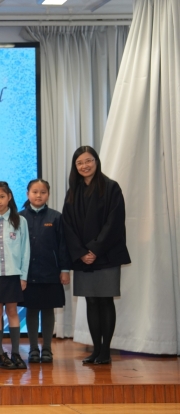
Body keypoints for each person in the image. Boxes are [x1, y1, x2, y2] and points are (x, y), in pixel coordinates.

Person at [62, 146, 130, 365]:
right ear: (75, 166)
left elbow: (114, 222)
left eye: (88, 160)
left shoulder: (111, 187)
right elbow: (67, 225)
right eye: (79, 163)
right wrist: (81, 252)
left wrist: (95, 249)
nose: (85, 166)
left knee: (105, 300)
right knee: (91, 301)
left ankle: (106, 351)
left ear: (96, 161)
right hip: (83, 257)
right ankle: (96, 350)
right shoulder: (73, 191)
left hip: (106, 255)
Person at [20, 179, 71, 364]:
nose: (38, 195)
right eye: (35, 192)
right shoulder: (19, 217)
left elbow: (63, 245)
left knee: (48, 309)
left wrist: (64, 269)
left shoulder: (56, 217)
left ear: (48, 194)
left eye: (42, 192)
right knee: (32, 310)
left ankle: (47, 348)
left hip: (51, 272)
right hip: (27, 273)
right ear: (28, 194)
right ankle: (33, 349)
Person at [0, 181, 30, 370]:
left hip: (12, 274)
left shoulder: (20, 221)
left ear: (9, 197)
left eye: (2, 197)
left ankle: (16, 353)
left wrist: (23, 276)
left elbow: (25, 250)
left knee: (12, 311)